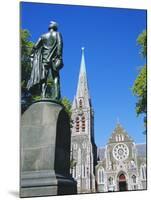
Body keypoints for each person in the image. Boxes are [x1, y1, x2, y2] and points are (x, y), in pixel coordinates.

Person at [27, 21, 63, 100]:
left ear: (49, 27)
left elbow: (35, 46)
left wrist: (32, 54)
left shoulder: (43, 36)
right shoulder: (57, 34)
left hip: (44, 60)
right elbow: (60, 45)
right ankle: (57, 95)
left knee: (44, 78)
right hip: (54, 59)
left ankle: (43, 95)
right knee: (55, 77)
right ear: (55, 27)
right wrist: (59, 57)